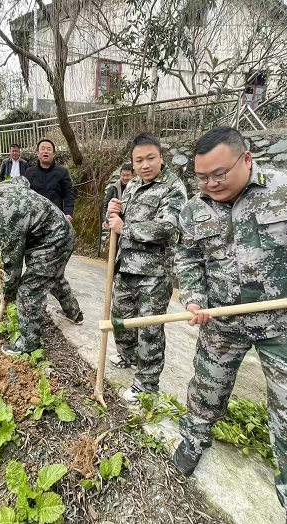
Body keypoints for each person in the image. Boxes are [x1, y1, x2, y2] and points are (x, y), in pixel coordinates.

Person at [173, 126, 287, 524]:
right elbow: (187, 258)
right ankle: (194, 437)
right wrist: (193, 298)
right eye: (201, 177)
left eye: (219, 173)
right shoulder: (193, 209)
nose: (211, 183)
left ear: (247, 158)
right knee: (206, 388)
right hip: (221, 321)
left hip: (283, 324)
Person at [0, 183, 84, 355]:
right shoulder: (0, 189)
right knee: (52, 276)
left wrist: (7, 293)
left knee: (28, 290)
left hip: (53, 242)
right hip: (60, 233)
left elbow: (13, 265)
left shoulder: (4, 221)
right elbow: (23, 181)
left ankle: (28, 346)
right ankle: (74, 313)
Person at [105, 133, 187, 403]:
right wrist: (115, 213)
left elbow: (168, 228)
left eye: (150, 158)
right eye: (139, 160)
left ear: (161, 157)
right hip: (125, 267)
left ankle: (147, 383)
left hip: (154, 273)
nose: (145, 164)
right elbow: (121, 221)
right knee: (120, 319)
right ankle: (128, 358)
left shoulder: (173, 188)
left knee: (149, 329)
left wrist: (124, 227)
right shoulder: (132, 185)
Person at [25, 138, 75, 221]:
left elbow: (68, 194)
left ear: (54, 154)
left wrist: (68, 213)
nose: (45, 151)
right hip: (34, 219)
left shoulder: (62, 172)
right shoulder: (29, 172)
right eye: (43, 149)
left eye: (49, 149)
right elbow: (25, 195)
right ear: (37, 153)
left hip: (56, 218)